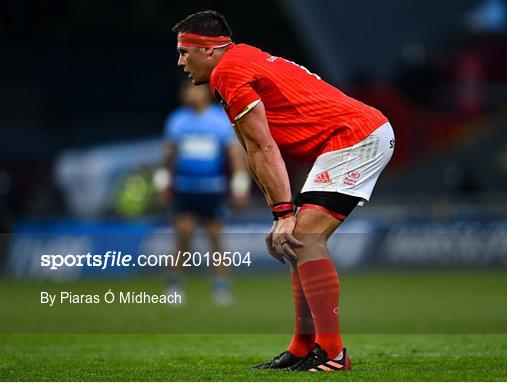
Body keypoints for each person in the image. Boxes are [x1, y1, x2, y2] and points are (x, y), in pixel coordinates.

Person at [172, 10, 395, 371]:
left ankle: (333, 353)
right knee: (297, 242)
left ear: (210, 50)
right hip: (346, 139)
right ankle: (302, 347)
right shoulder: (239, 63)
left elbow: (263, 148)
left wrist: (283, 215)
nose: (181, 61)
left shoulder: (228, 73)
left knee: (304, 237)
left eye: (185, 51)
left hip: (356, 138)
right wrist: (282, 215)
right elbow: (254, 149)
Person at [154, 80, 250, 305]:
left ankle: (221, 287)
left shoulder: (218, 120)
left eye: (193, 89)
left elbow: (234, 156)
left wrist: (240, 184)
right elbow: (168, 155)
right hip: (185, 188)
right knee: (183, 236)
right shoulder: (178, 120)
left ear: (205, 93)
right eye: (186, 90)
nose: (188, 93)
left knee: (215, 238)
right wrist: (162, 182)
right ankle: (174, 284)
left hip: (212, 189)